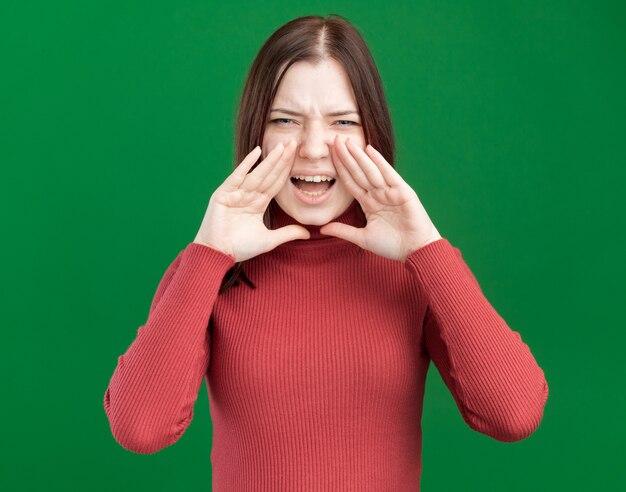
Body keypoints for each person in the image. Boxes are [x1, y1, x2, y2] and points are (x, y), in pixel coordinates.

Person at [103, 14, 549, 491]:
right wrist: (209, 253)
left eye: (342, 121)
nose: (313, 148)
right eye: (285, 120)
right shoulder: (211, 266)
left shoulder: (415, 268)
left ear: (370, 134)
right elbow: (139, 428)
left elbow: (514, 414)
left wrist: (428, 250)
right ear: (257, 131)